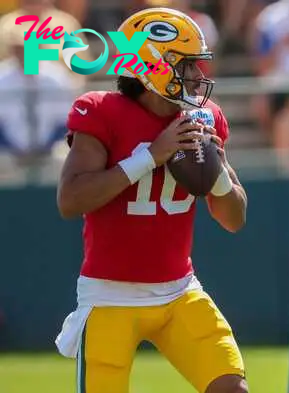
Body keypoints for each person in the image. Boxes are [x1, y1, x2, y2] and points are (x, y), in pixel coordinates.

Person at [54, 7, 248, 393]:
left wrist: (219, 169)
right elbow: (70, 200)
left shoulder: (205, 117)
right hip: (110, 295)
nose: (198, 77)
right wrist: (149, 157)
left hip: (179, 291)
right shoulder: (101, 111)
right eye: (188, 65)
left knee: (231, 388)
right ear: (154, 65)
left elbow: (234, 219)